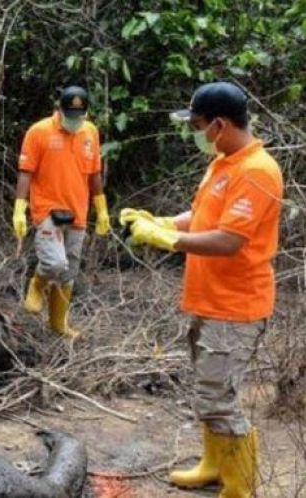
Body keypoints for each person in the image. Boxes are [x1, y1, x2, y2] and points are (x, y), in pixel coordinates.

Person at [121, 81, 283, 498]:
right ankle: (214, 465)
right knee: (208, 390)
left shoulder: (257, 171)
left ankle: (240, 487)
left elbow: (230, 240)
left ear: (219, 125)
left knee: (219, 400)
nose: (194, 133)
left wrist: (167, 241)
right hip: (209, 300)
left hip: (236, 305)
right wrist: (161, 222)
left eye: (196, 125)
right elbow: (203, 214)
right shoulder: (225, 162)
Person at [12, 85, 111, 339]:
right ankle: (36, 284)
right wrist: (19, 209)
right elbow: (26, 172)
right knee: (54, 262)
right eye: (70, 116)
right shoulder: (39, 132)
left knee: (69, 272)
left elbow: (94, 173)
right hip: (47, 209)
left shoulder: (90, 132)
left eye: (79, 116)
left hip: (77, 210)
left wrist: (101, 209)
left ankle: (58, 324)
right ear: (59, 110)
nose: (74, 122)